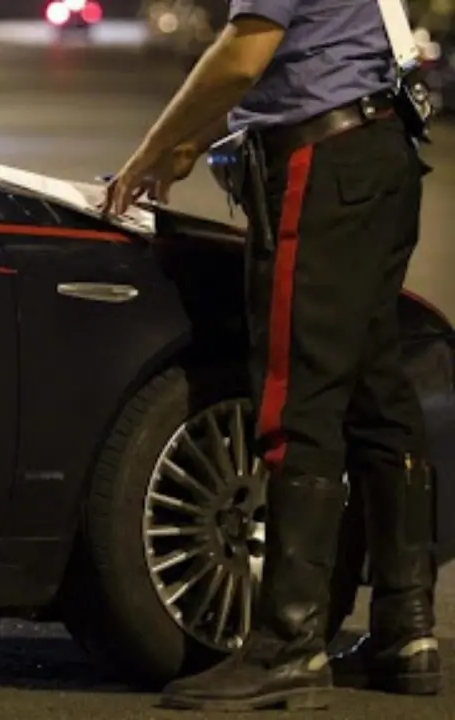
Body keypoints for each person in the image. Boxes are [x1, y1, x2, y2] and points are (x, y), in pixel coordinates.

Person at [103, 0, 438, 712]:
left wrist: (153, 149)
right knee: (376, 392)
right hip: (377, 150)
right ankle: (406, 630)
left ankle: (287, 644)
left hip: (322, 168)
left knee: (298, 399)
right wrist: (196, 141)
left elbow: (244, 52)